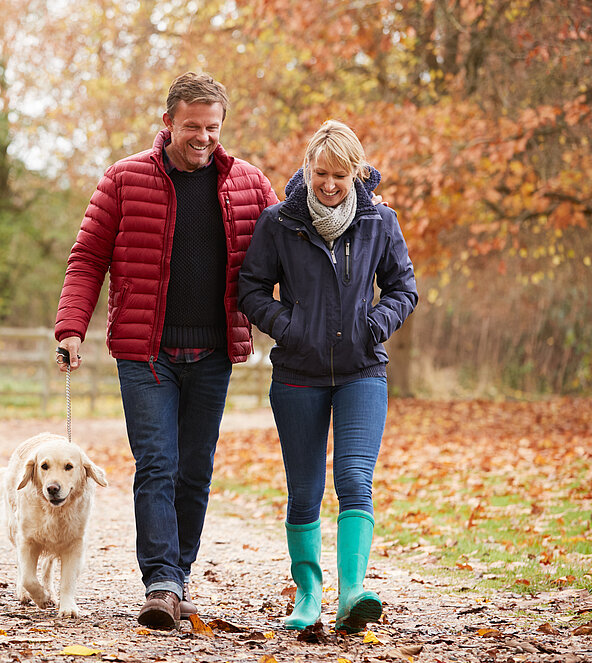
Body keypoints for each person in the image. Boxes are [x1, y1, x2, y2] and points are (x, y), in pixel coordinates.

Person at [54, 72, 278, 629]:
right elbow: (87, 259)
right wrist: (71, 328)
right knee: (157, 463)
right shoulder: (124, 180)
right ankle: (160, 581)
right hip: (145, 353)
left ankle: (178, 575)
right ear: (168, 122)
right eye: (192, 127)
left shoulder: (249, 185)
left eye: (213, 128)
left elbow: (289, 245)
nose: (202, 137)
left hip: (213, 355)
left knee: (195, 469)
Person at [238, 120, 418, 633]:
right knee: (304, 489)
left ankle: (353, 591)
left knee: (356, 479)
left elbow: (404, 288)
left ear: (356, 173)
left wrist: (373, 325)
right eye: (321, 173)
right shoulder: (280, 223)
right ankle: (309, 593)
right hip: (298, 374)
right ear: (308, 170)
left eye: (340, 175)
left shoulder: (379, 222)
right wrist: (287, 327)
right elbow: (250, 289)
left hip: (363, 371)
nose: (330, 184)